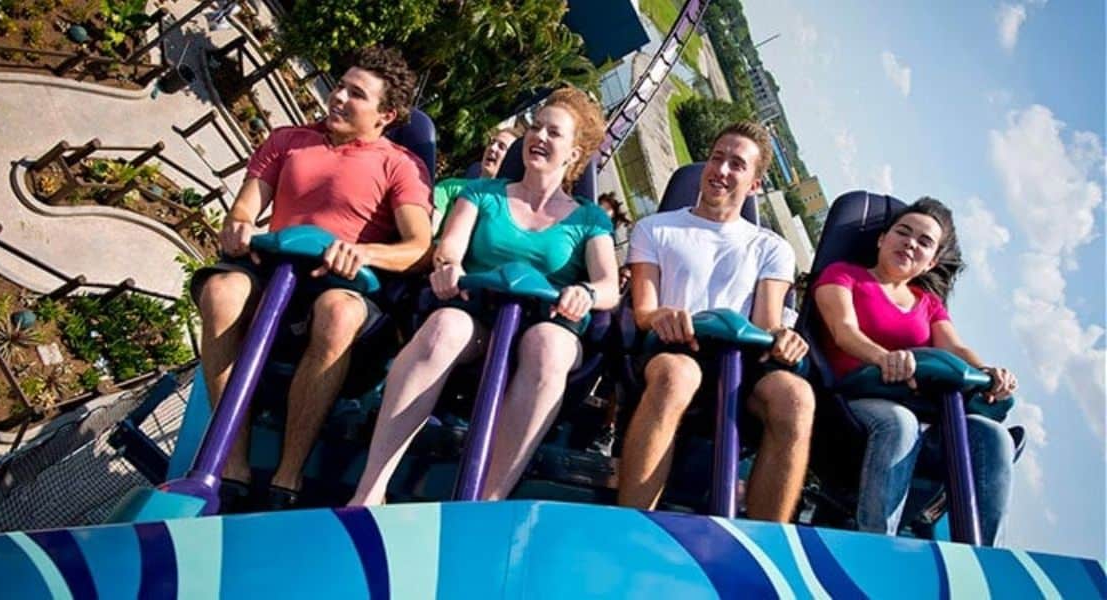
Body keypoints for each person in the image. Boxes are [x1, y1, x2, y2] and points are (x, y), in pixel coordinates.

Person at [191, 46, 433, 510]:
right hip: (273, 270)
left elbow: (417, 248)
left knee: (337, 313)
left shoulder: (399, 165)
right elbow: (244, 209)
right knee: (221, 291)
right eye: (339, 86)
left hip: (340, 281)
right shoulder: (288, 141)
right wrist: (239, 226)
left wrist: (361, 253)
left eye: (355, 94)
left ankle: (288, 475)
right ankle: (229, 462)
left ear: (386, 114)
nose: (338, 97)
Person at [350, 87, 619, 504]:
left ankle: (485, 501)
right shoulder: (484, 195)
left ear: (574, 153)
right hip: (479, 315)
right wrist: (448, 267)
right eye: (536, 128)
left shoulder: (589, 218)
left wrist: (584, 292)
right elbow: (451, 247)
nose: (540, 138)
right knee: (444, 327)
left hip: (546, 323)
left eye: (554, 133)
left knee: (546, 346)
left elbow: (607, 285)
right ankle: (370, 490)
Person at [618, 122, 814, 523]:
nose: (721, 170)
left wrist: (785, 339)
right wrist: (662, 316)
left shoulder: (771, 248)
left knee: (796, 397)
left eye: (737, 164)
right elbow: (643, 312)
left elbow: (767, 323)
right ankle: (631, 522)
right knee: (678, 375)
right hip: (673, 349)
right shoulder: (655, 229)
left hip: (740, 364)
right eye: (717, 157)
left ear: (755, 184)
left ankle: (764, 541)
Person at [813, 198, 1017, 542]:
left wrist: (987, 370)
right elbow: (844, 331)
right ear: (882, 239)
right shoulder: (844, 275)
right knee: (899, 422)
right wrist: (882, 357)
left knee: (992, 436)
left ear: (931, 262)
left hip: (921, 406)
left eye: (924, 242)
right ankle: (877, 543)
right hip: (854, 401)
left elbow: (953, 348)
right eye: (902, 233)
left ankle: (983, 559)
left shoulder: (928, 303)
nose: (910, 243)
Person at [430, 125, 522, 235]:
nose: (492, 148)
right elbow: (428, 231)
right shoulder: (449, 187)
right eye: (492, 142)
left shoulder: (509, 210)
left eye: (501, 147)